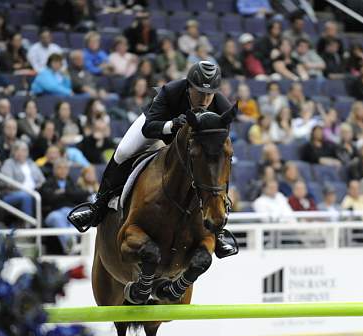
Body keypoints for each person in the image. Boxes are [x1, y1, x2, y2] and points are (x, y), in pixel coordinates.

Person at [68, 61, 239, 258]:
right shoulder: (170, 92)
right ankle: (98, 207)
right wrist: (171, 125)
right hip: (157, 127)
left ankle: (218, 230)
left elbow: (217, 148)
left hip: (189, 147)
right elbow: (148, 128)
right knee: (123, 151)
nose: (205, 98)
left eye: (209, 94)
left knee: (219, 163)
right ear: (189, 86)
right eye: (200, 92)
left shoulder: (221, 106)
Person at [41, 158, 89, 254]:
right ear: (54, 170)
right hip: (54, 213)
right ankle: (70, 247)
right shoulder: (48, 183)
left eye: (65, 168)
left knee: (74, 216)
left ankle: (71, 248)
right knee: (57, 218)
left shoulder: (72, 183)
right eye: (60, 168)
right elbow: (49, 198)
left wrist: (63, 192)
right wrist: (69, 195)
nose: (63, 170)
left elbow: (83, 195)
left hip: (69, 211)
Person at [0, 141, 46, 218]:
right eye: (18, 150)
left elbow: (42, 179)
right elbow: (7, 182)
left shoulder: (31, 163)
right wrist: (25, 189)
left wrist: (36, 188)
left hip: (34, 191)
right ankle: (28, 223)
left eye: (24, 150)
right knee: (26, 196)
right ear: (13, 152)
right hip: (12, 193)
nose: (21, 153)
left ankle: (42, 224)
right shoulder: (9, 163)